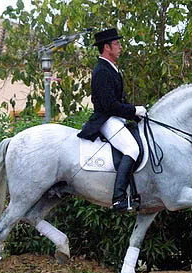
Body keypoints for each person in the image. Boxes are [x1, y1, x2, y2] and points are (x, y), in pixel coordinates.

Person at [77, 28, 147, 213]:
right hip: (106, 119)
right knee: (132, 149)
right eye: (117, 44)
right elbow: (109, 105)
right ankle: (118, 198)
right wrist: (133, 110)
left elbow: (119, 102)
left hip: (117, 118)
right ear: (107, 47)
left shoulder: (112, 69)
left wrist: (135, 114)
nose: (120, 47)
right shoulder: (102, 71)